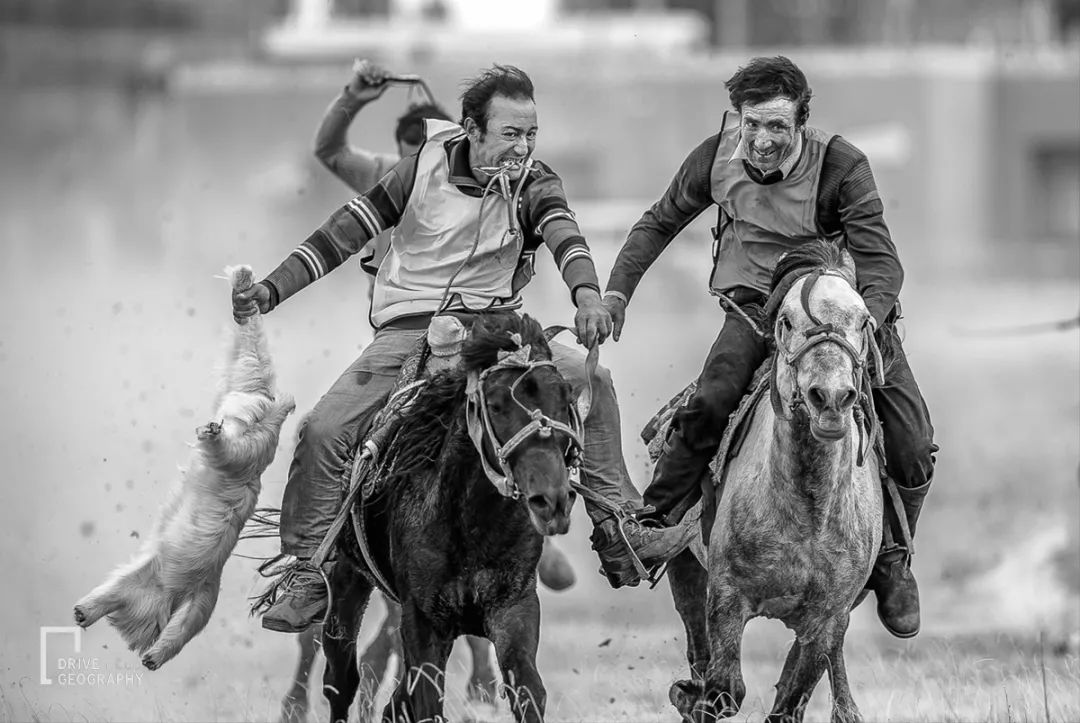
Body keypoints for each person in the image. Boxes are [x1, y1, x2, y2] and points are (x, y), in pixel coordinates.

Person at [235, 64, 691, 634]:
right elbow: (340, 235)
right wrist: (271, 290)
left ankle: (618, 523)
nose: (523, 148)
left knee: (587, 376)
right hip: (408, 331)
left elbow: (564, 234)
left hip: (496, 330)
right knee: (323, 430)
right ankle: (307, 571)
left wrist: (589, 296)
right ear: (471, 131)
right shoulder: (415, 169)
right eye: (510, 134)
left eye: (530, 135)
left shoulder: (536, 181)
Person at [601, 56, 938, 639]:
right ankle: (653, 525)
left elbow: (881, 262)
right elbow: (657, 223)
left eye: (777, 127)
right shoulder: (713, 158)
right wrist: (616, 293)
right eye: (751, 124)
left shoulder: (842, 166)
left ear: (802, 123)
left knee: (912, 440)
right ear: (738, 118)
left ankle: (891, 560)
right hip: (756, 309)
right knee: (710, 400)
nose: (761, 140)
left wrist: (866, 324)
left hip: (836, 313)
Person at [311, 58, 577, 593]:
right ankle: (326, 549)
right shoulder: (393, 173)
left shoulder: (508, 176)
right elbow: (329, 150)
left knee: (511, 411)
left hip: (473, 330)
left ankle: (540, 527)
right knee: (359, 433)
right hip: (404, 333)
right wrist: (353, 96)